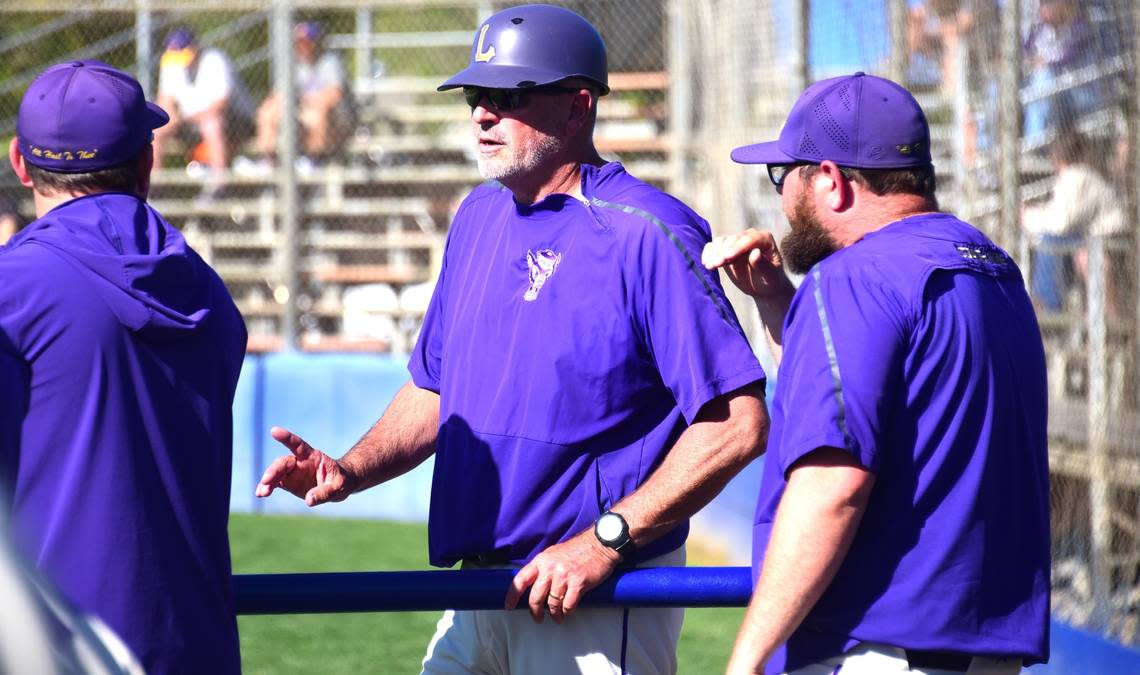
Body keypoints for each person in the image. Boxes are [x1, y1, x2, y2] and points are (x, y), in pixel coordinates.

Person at [255, 5, 769, 674]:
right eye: (477, 95)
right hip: (478, 586)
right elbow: (438, 388)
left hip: (592, 596)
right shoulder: (477, 215)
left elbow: (736, 423)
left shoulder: (647, 230)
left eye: (509, 96)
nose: (482, 114)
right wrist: (349, 470)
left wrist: (606, 540)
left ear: (577, 106)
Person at [702, 72, 1050, 674]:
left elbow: (833, 487)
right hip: (981, 653)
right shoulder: (992, 268)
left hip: (877, 649)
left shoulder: (852, 279)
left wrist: (747, 658)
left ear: (832, 181)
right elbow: (896, 406)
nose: (781, 199)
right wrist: (780, 305)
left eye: (784, 176)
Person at [0, 60, 246, 674]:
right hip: (200, 652)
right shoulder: (211, 294)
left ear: (20, 163)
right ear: (147, 162)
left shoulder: (13, 290)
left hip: (56, 652)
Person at [1022, 128, 1129, 316]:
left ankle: (1048, 306)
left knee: (1050, 239)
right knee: (1052, 238)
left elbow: (1061, 223)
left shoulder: (1076, 175)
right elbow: (1061, 216)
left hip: (1108, 239)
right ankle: (1047, 303)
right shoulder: (1083, 174)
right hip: (1093, 237)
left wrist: (1027, 217)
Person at [153, 27, 255, 197]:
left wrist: (187, 118)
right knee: (155, 128)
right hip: (190, 123)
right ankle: (153, 187)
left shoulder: (215, 60)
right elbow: (164, 100)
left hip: (235, 122)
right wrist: (170, 115)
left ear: (195, 48)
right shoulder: (171, 63)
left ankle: (219, 186)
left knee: (211, 123)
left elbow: (221, 104)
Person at [253, 20, 356, 166]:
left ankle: (314, 160)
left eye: (306, 41)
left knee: (319, 112)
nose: (302, 46)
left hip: (337, 116)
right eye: (299, 42)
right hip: (301, 109)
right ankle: (268, 161)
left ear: (316, 42)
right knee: (267, 111)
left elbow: (334, 94)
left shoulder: (329, 61)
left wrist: (305, 102)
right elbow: (278, 94)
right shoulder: (293, 63)